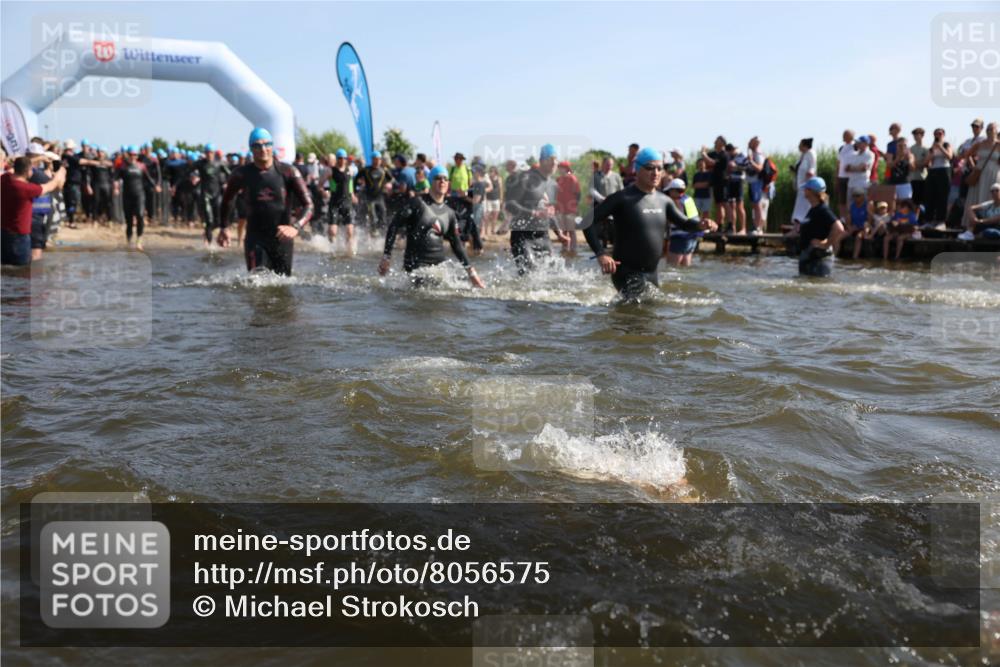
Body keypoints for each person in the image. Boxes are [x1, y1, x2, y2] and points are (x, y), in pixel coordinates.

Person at [580, 147, 717, 299]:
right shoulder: (622, 198)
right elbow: (587, 222)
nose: (656, 173)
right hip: (626, 272)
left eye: (659, 168)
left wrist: (701, 225)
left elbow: (684, 223)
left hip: (652, 274)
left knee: (650, 314)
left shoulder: (664, 201)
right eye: (650, 168)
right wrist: (601, 254)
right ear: (638, 169)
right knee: (637, 315)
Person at [217, 127, 313, 276]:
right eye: (257, 145)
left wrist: (296, 227)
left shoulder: (288, 172)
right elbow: (227, 201)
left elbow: (309, 205)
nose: (263, 149)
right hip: (255, 238)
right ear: (251, 149)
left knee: (283, 288)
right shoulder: (241, 174)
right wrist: (224, 227)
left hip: (282, 239)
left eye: (267, 144)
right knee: (256, 285)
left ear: (272, 146)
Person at [378, 165, 485, 288]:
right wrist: (386, 257)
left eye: (445, 178)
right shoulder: (417, 203)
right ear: (430, 181)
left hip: (439, 267)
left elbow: (456, 244)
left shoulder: (449, 213)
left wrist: (471, 272)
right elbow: (394, 226)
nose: (442, 181)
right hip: (417, 267)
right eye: (438, 178)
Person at [503, 143, 571, 273]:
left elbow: (549, 212)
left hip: (543, 237)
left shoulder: (552, 185)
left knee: (555, 273)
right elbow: (510, 205)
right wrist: (534, 212)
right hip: (523, 237)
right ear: (541, 161)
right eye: (550, 160)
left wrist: (560, 234)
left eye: (555, 160)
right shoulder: (525, 178)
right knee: (529, 274)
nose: (554, 163)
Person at [1, 156, 65, 265]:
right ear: (28, 171)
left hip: (3, 234)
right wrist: (60, 173)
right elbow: (51, 186)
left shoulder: (4, 179)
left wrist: (38, 159)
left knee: (6, 271)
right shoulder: (27, 189)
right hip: (20, 237)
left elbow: (12, 170)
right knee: (23, 272)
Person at [662, 178, 716, 267]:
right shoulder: (688, 199)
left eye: (669, 191)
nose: (669, 194)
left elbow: (673, 219)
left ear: (674, 190)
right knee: (685, 266)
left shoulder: (676, 202)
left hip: (680, 236)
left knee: (671, 267)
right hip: (693, 236)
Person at [796, 177, 844, 277]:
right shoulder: (813, 209)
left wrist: (826, 243)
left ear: (811, 191)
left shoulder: (822, 210)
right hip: (809, 257)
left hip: (819, 259)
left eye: (806, 189)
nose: (804, 191)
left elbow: (839, 228)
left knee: (818, 288)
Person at [114, 146, 157, 249]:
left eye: (135, 155)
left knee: (140, 215)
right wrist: (116, 188)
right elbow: (115, 178)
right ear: (127, 155)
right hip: (127, 196)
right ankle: (129, 241)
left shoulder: (141, 166)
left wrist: (156, 186)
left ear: (137, 156)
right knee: (129, 220)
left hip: (139, 195)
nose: (133, 157)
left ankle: (139, 240)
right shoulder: (123, 167)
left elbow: (149, 178)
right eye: (131, 154)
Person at [193, 143, 230, 245]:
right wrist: (193, 176)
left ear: (214, 153)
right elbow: (187, 171)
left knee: (218, 221)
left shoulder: (219, 163)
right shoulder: (200, 164)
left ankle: (207, 233)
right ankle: (209, 246)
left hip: (216, 195)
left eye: (211, 153)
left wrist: (228, 183)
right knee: (209, 220)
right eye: (207, 153)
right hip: (205, 195)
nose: (209, 154)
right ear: (205, 153)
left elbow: (231, 175)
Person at [327, 148, 357, 252]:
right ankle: (332, 249)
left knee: (349, 231)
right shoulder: (331, 171)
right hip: (334, 203)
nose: (342, 160)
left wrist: (352, 194)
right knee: (333, 231)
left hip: (347, 203)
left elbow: (350, 183)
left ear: (346, 159)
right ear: (337, 159)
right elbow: (320, 184)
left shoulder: (350, 170)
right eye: (340, 158)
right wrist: (323, 191)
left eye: (344, 158)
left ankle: (349, 250)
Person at [964, 121, 999, 210]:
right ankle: (974, 219)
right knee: (977, 195)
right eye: (988, 129)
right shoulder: (980, 143)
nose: (989, 131)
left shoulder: (999, 145)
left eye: (991, 129)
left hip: (994, 174)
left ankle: (991, 220)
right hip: (979, 173)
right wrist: (973, 166)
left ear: (996, 131)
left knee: (992, 195)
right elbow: (967, 155)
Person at [700, 136, 730, 231]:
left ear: (722, 143)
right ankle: (719, 225)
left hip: (722, 182)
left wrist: (704, 153)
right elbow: (706, 162)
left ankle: (729, 224)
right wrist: (705, 155)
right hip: (715, 182)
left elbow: (712, 163)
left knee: (724, 203)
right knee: (718, 204)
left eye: (717, 141)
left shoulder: (724, 154)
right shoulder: (714, 153)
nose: (715, 142)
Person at [925, 128, 954, 225]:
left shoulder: (946, 145)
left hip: (944, 170)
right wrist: (933, 150)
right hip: (933, 170)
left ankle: (941, 220)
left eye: (940, 133)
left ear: (943, 135)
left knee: (943, 196)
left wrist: (940, 147)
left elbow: (950, 156)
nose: (937, 135)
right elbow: (927, 161)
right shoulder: (932, 147)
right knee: (930, 195)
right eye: (935, 134)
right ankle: (929, 220)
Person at [555, 161, 580, 254]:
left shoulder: (572, 178)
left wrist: (575, 206)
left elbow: (578, 194)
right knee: (564, 230)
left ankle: (574, 249)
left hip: (570, 209)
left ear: (566, 168)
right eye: (559, 167)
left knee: (571, 230)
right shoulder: (558, 179)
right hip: (560, 208)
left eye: (560, 167)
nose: (559, 169)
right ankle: (565, 248)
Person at [791, 137, 817, 227]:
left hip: (807, 186)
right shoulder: (803, 155)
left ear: (804, 146)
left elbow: (812, 167)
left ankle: (802, 225)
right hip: (801, 186)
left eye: (800, 145)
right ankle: (798, 225)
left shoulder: (811, 153)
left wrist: (810, 174)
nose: (798, 147)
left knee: (804, 206)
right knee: (799, 207)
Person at [725, 143, 748, 234]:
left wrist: (736, 167)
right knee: (731, 206)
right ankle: (732, 228)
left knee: (740, 206)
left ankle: (743, 228)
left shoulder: (742, 156)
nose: (730, 152)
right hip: (730, 182)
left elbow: (747, 167)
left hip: (739, 182)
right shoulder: (728, 157)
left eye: (731, 150)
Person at [746, 137, 767, 234]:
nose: (748, 143)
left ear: (755, 143)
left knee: (757, 204)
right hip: (752, 182)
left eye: (750, 142)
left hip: (757, 182)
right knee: (754, 205)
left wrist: (751, 161)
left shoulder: (758, 154)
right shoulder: (752, 153)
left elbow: (760, 168)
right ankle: (756, 226)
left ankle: (758, 227)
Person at [836, 129, 856, 217]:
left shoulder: (856, 147)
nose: (844, 136)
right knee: (841, 200)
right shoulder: (841, 148)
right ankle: (842, 218)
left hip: (851, 177)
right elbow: (838, 163)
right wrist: (836, 177)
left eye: (846, 135)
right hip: (841, 177)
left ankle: (850, 218)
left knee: (850, 199)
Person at [888, 136, 914, 201]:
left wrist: (909, 160)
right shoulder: (891, 155)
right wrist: (898, 158)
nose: (902, 147)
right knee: (893, 204)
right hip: (893, 183)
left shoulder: (910, 155)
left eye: (904, 145)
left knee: (905, 204)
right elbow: (889, 166)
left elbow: (912, 168)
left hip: (905, 183)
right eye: (900, 145)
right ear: (896, 146)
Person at [909, 128, 929, 210]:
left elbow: (927, 163)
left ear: (922, 135)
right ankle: (915, 219)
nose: (916, 136)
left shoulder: (926, 148)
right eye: (914, 135)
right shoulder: (911, 148)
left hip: (923, 177)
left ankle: (923, 219)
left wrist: (917, 163)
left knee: (924, 200)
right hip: (913, 178)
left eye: (917, 134)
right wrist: (919, 163)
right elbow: (910, 163)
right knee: (915, 200)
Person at [483, 165, 503, 237]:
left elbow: (501, 189)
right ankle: (485, 231)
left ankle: (493, 230)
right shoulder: (487, 179)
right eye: (490, 171)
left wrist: (501, 199)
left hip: (496, 199)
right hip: (488, 200)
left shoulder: (499, 179)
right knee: (487, 217)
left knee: (495, 216)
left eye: (492, 171)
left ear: (495, 172)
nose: (491, 172)